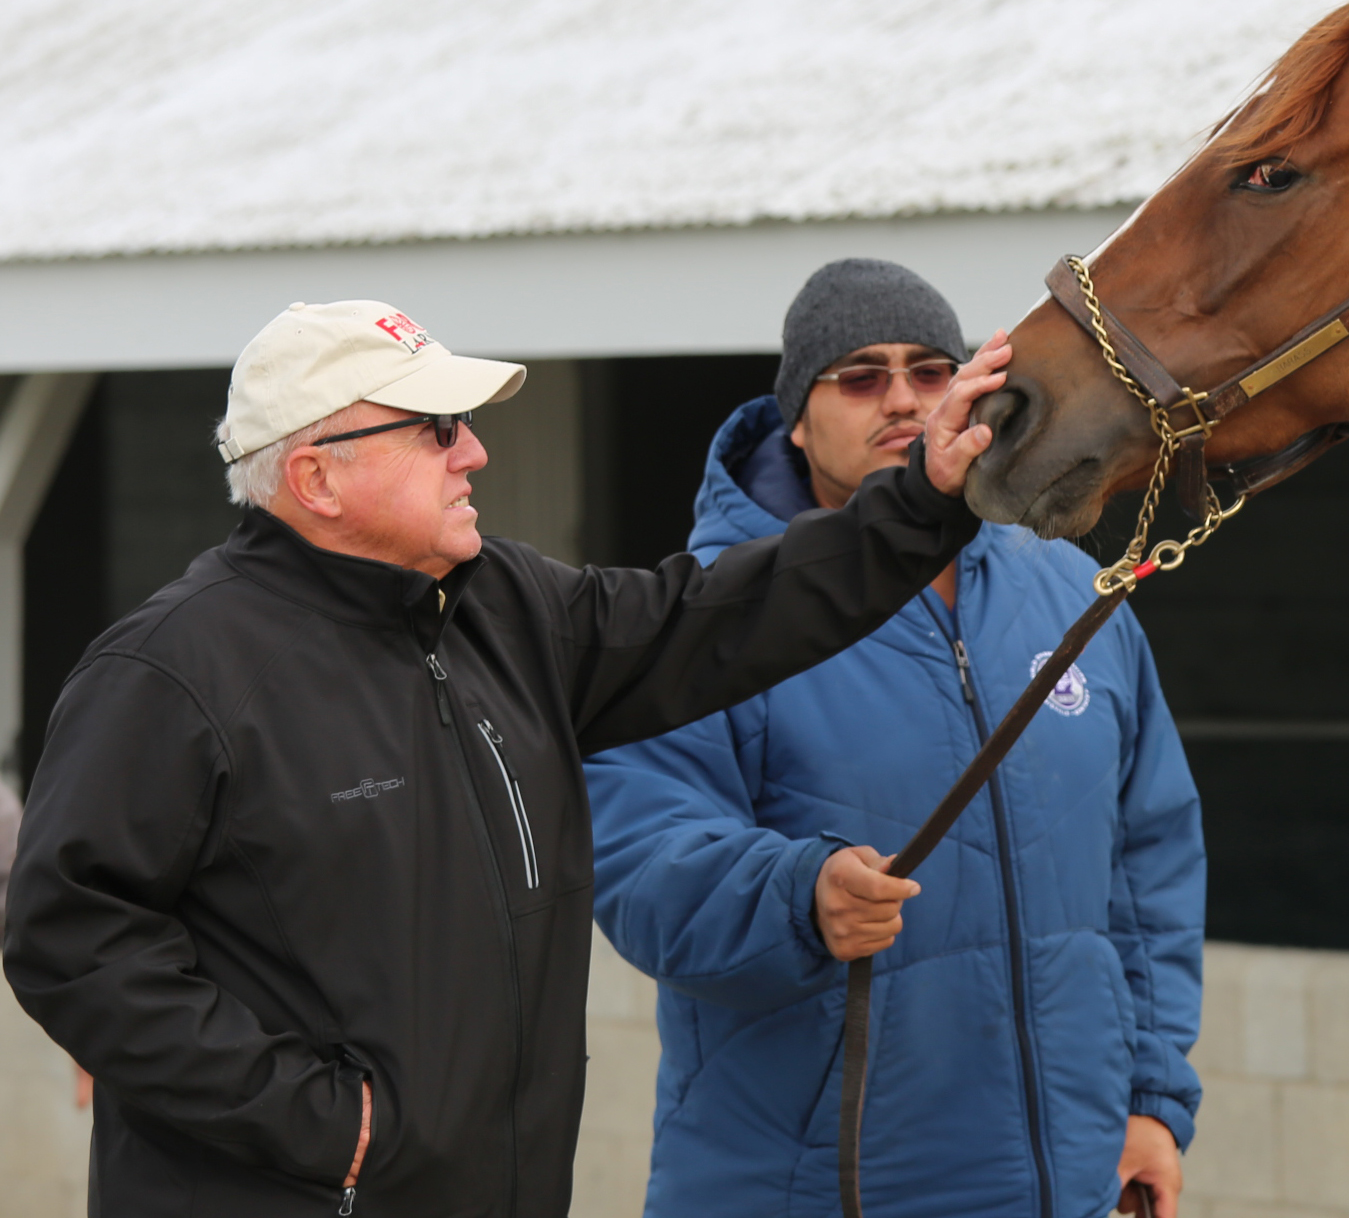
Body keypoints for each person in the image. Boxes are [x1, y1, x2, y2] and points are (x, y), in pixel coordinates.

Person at [2, 297, 1006, 1217]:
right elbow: (68, 937)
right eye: (435, 429)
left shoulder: (507, 606)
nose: (474, 452)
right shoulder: (173, 670)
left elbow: (721, 617)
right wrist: (326, 1128)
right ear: (316, 477)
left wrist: (919, 502)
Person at [586, 259, 1205, 1218]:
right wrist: (797, 896)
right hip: (807, 1191)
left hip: (1064, 1183)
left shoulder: (1075, 596)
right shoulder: (705, 611)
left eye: (929, 370)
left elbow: (1150, 862)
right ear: (796, 415)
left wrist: (1151, 1104)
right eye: (861, 377)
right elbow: (638, 863)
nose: (905, 401)